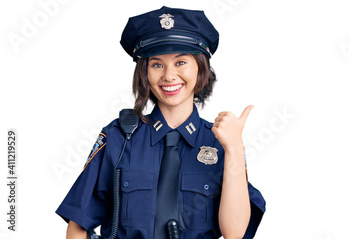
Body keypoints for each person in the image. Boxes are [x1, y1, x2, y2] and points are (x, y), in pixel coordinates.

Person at [56, 6, 265, 239]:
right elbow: (77, 227)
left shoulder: (221, 142)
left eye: (181, 62)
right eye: (156, 65)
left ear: (200, 67)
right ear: (144, 73)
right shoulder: (118, 137)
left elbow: (235, 233)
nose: (168, 75)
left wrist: (235, 149)